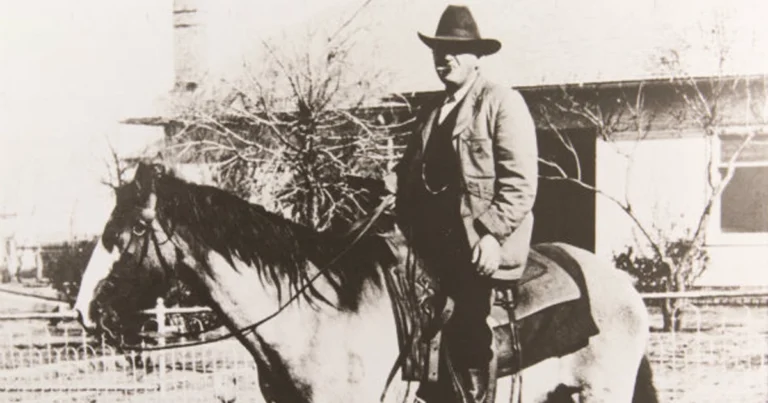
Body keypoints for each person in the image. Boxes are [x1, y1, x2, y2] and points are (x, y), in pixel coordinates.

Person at [392, 5, 538, 402]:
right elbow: (407, 178)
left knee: (467, 324)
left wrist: (491, 235)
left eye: (456, 50)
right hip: (429, 245)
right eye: (439, 51)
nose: (445, 59)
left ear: (477, 56)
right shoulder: (430, 113)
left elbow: (520, 184)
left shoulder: (501, 102)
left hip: (476, 247)